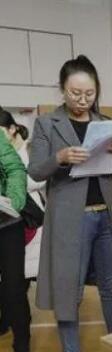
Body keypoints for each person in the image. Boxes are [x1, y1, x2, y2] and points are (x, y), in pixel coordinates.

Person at [28, 55, 112, 352]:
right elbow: (35, 171)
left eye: (89, 94)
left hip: (106, 215)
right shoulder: (47, 123)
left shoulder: (105, 124)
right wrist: (60, 157)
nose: (83, 100)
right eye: (75, 93)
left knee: (111, 286)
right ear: (63, 90)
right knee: (68, 292)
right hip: (68, 221)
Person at [0, 111, 45, 279]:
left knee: (29, 270)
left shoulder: (31, 149)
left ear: (12, 129)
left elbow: (39, 179)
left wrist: (13, 185)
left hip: (31, 215)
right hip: (7, 215)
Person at [0, 124, 31, 352]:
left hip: (7, 224)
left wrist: (14, 200)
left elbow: (15, 169)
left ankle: (22, 347)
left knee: (14, 288)